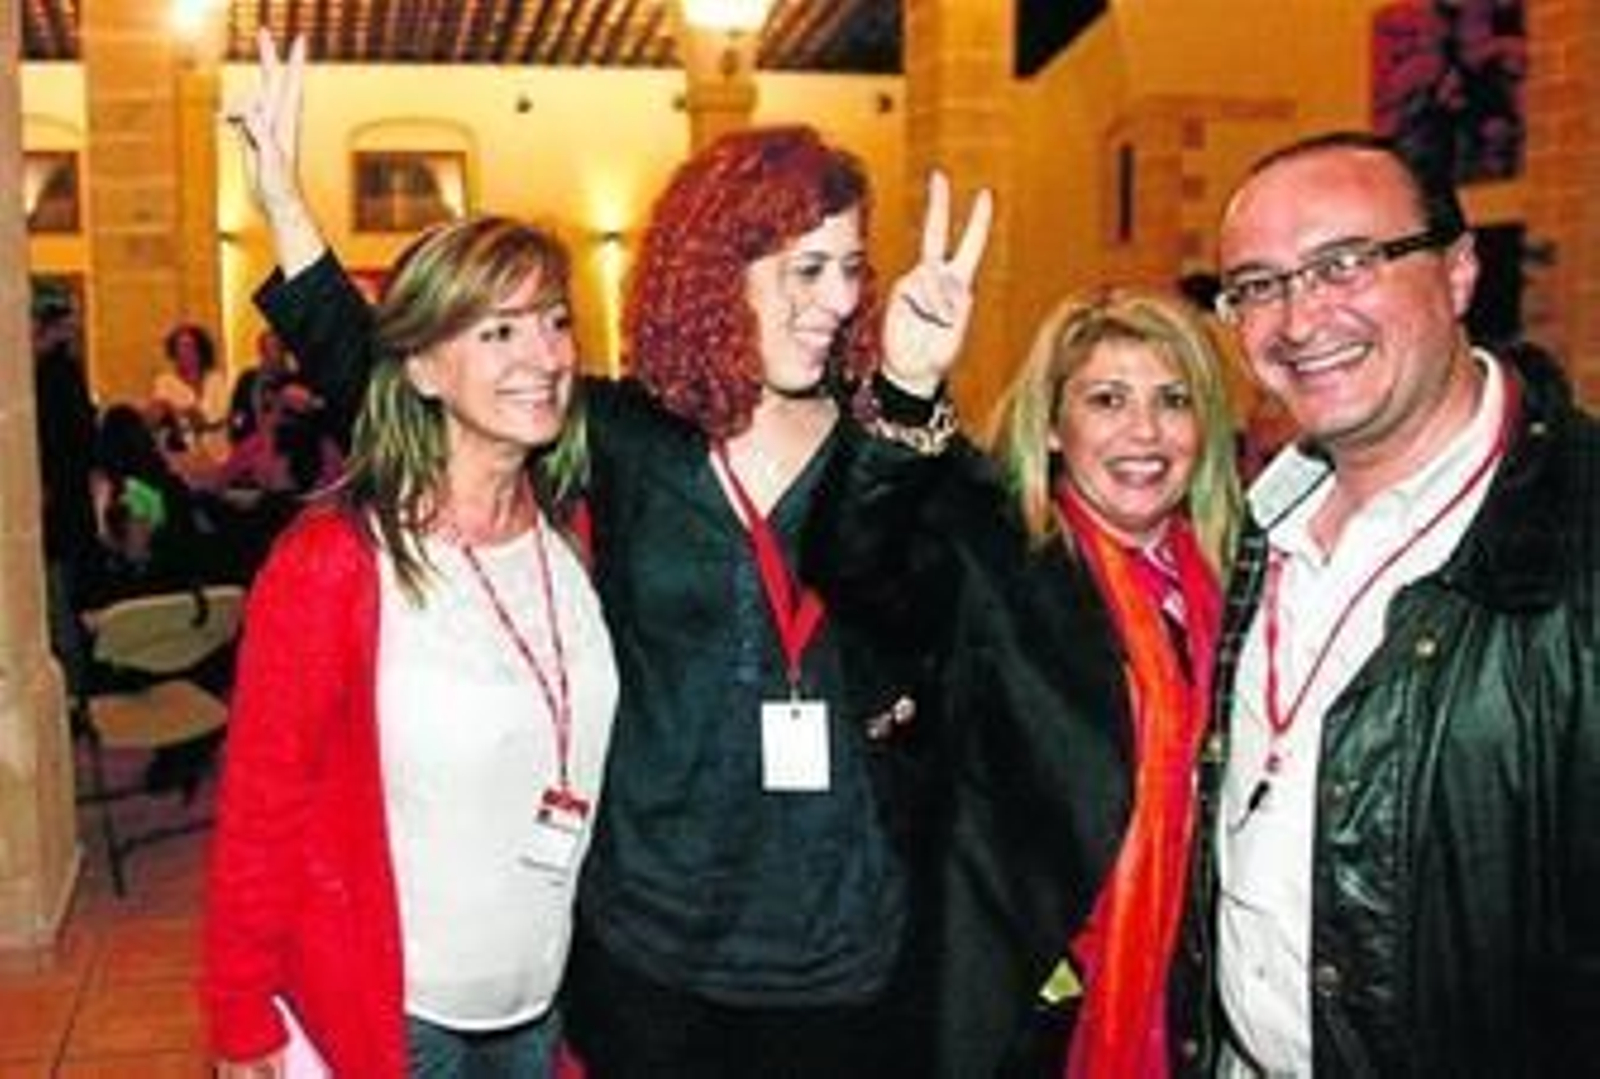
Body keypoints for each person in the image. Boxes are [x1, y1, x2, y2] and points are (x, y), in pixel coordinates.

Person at [226, 30, 991, 1079]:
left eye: (853, 267)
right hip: (650, 945)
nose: (842, 298)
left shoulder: (890, 443)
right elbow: (415, 379)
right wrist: (291, 216)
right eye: (806, 267)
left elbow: (876, 577)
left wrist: (907, 389)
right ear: (718, 271)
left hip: (843, 940)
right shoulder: (626, 440)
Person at [1168, 131, 1600, 1075]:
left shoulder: (1577, 537)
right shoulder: (1254, 524)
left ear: (1457, 271)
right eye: (1257, 285)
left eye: (1343, 264)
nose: (1298, 319)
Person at [201, 214, 620, 1078]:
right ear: (422, 366)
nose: (543, 355)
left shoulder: (577, 532)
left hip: (547, 1009)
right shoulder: (336, 561)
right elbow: (260, 802)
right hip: (397, 1016)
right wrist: (241, 1009)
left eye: (553, 320)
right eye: (498, 330)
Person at [807, 287, 1241, 1077]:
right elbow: (855, 555)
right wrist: (907, 383)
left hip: (1185, 1007)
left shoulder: (1236, 583)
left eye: (1172, 400)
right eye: (1107, 398)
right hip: (1017, 1014)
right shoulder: (993, 556)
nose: (1144, 431)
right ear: (1050, 424)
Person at [148, 321, 230, 466]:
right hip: (182, 457)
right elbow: (159, 417)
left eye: (189, 346)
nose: (184, 351)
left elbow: (223, 414)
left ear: (200, 350)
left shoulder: (216, 379)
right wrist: (180, 414)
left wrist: (197, 418)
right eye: (179, 347)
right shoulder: (164, 382)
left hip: (220, 455)